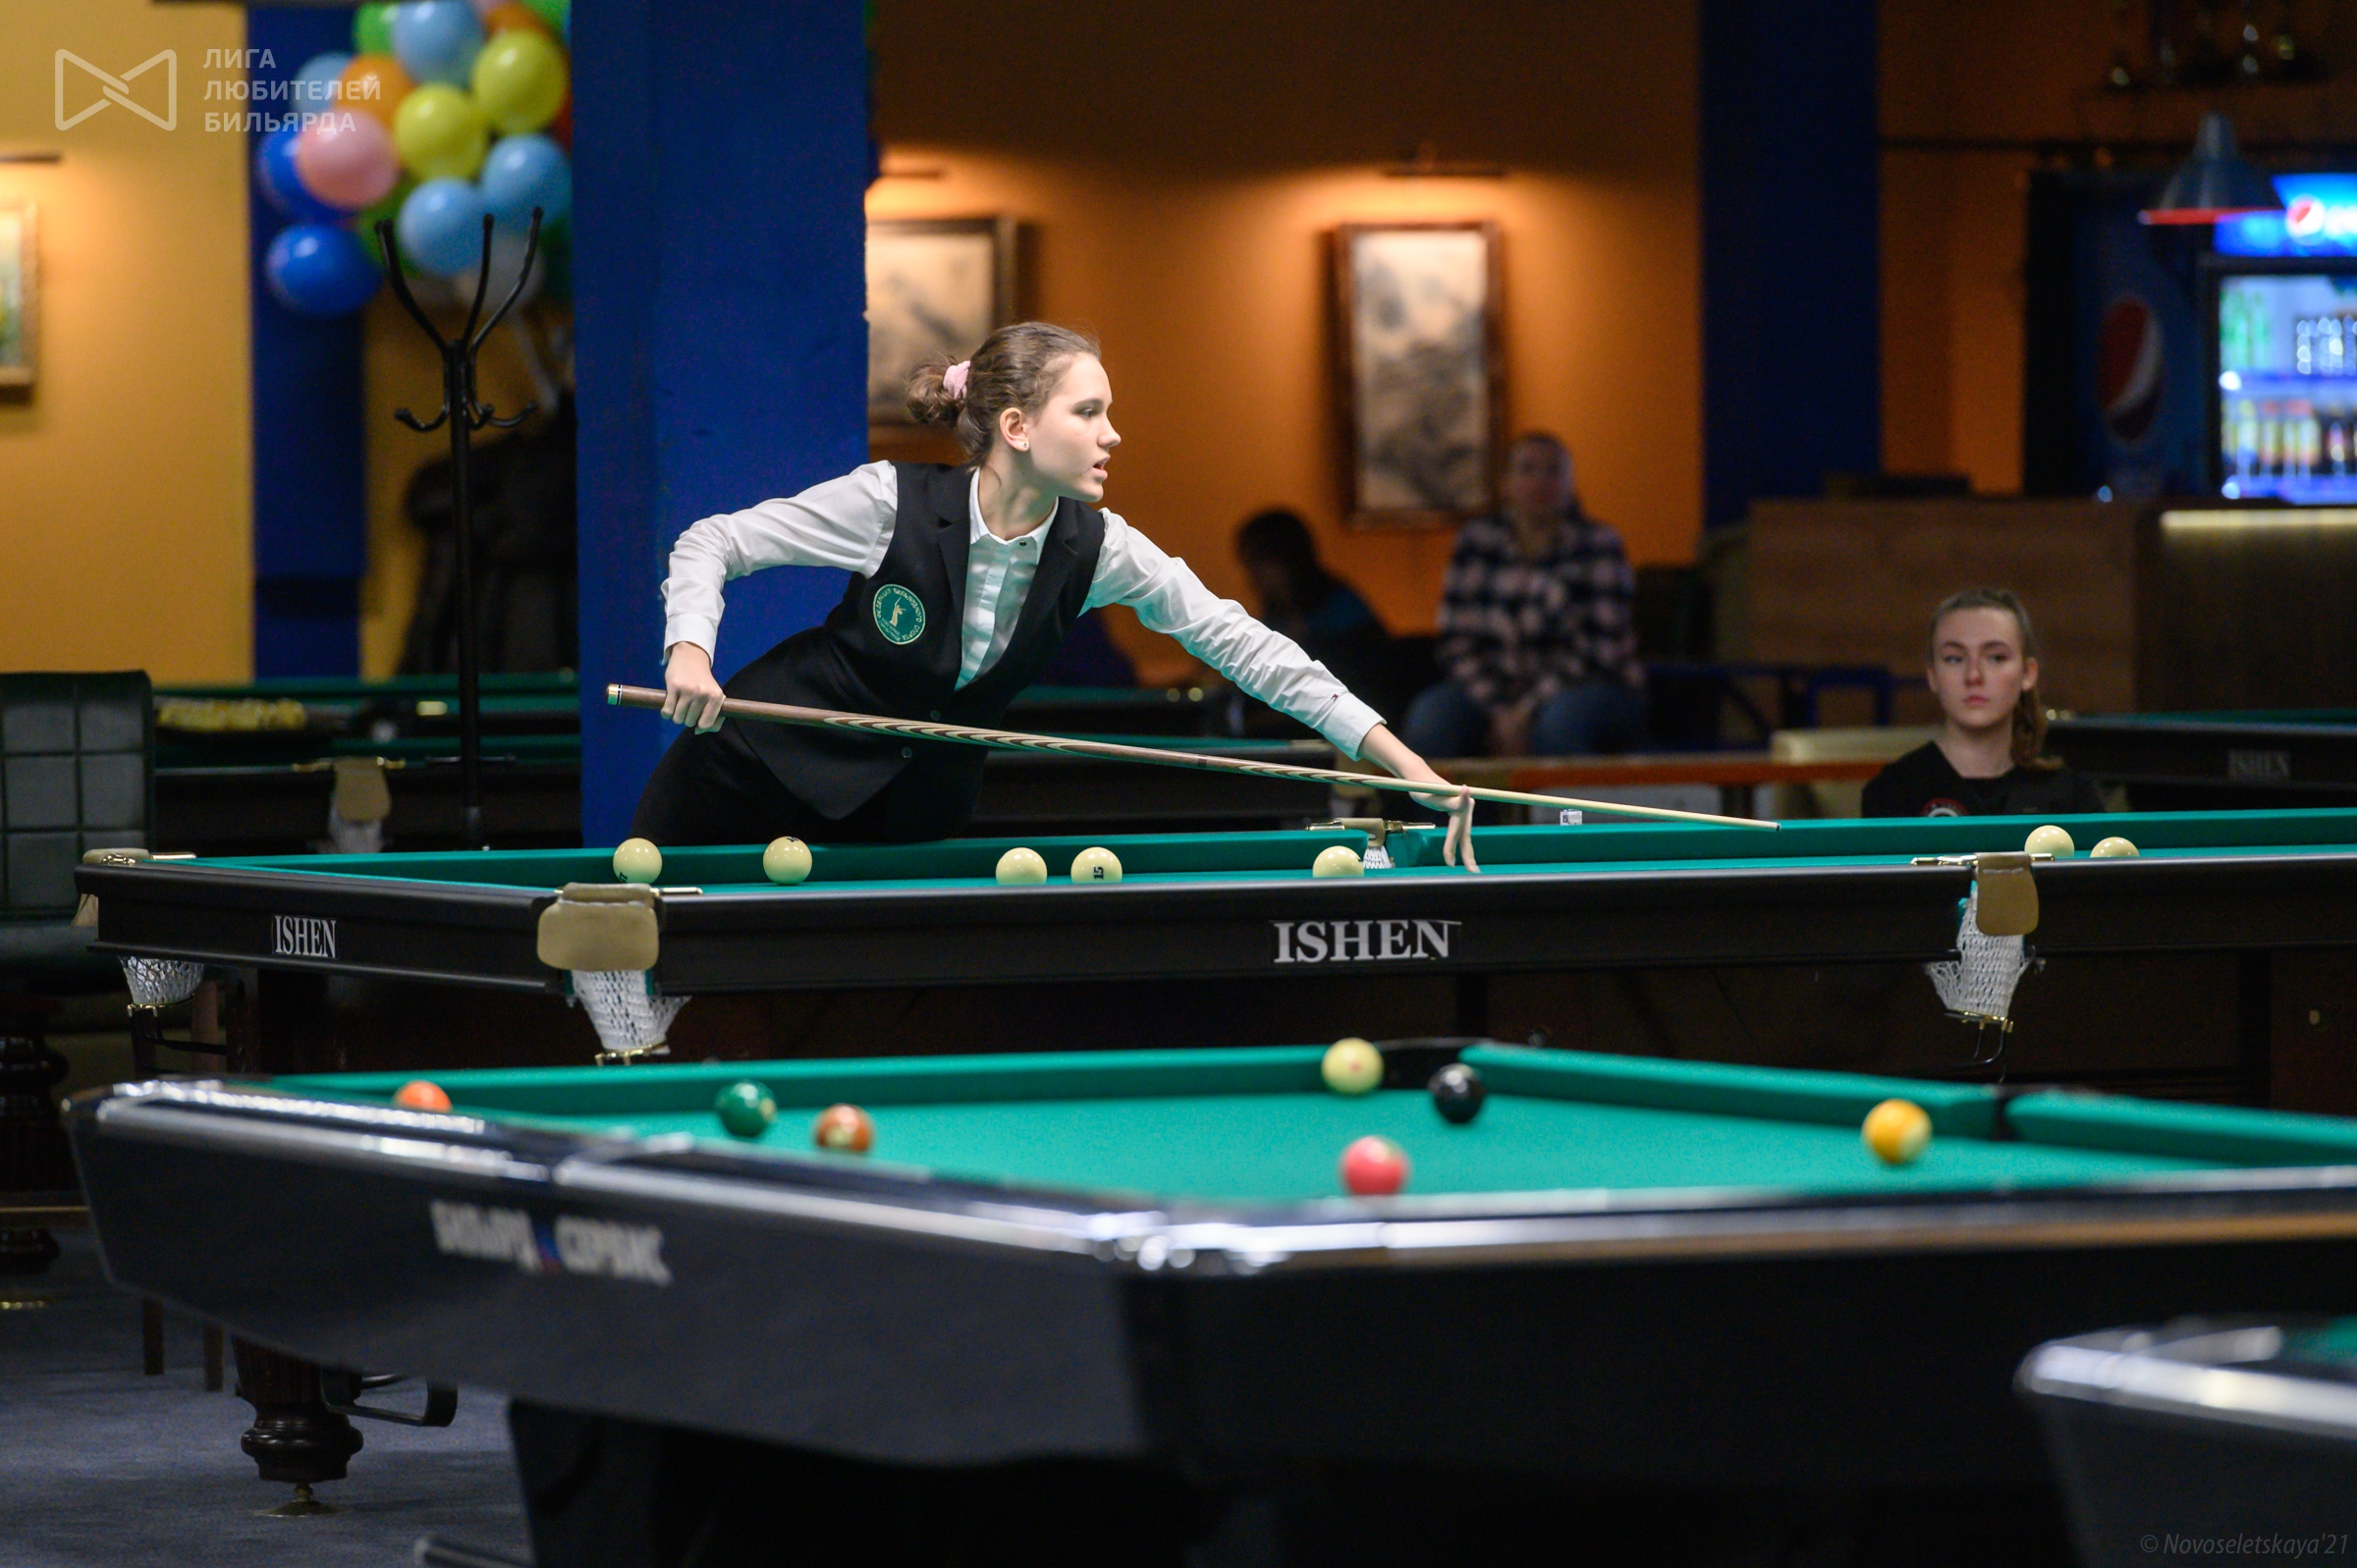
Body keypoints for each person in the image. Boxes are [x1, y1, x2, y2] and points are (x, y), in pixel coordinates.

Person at [633, 322, 1476, 858]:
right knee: (629, 970)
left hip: (901, 821)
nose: (1114, 434)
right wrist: (690, 654)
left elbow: (1245, 646)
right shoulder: (889, 501)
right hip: (750, 768)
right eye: (1089, 412)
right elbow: (714, 541)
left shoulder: (1100, 548)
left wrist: (1402, 762)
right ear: (1017, 426)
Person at [1399, 432, 1645, 759]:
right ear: (1505, 483)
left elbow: (1597, 652)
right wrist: (1501, 712)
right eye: (1527, 469)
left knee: (1558, 724)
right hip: (1492, 690)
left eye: (1554, 470)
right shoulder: (1476, 542)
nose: (1541, 481)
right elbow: (1456, 642)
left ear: (1571, 482)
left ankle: (1564, 796)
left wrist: (1526, 711)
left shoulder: (1599, 544)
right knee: (1431, 718)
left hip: (1588, 687)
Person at [1862, 588, 2109, 818]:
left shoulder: (2073, 796)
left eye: (1996, 657)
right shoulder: (1892, 792)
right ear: (1932, 675)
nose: (1973, 675)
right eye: (1954, 659)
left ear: (2027, 673)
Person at [1233, 508, 1396, 716]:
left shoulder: (1343, 607)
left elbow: (1369, 677)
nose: (1252, 577)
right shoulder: (1273, 618)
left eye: (1258, 563)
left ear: (1288, 559)